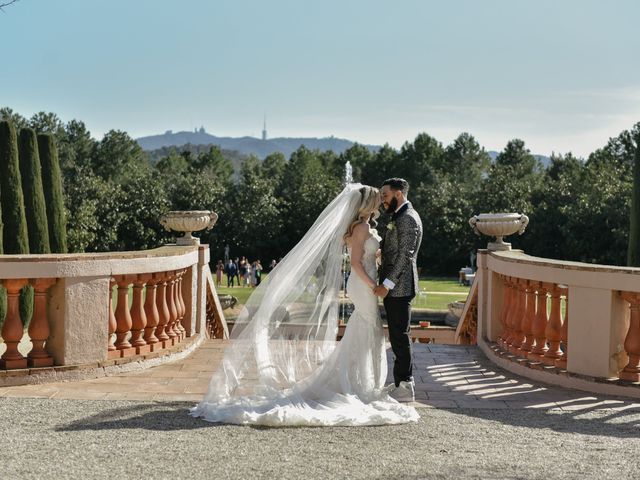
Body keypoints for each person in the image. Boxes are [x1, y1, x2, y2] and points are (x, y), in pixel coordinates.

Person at [191, 184, 419, 426]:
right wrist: (374, 284)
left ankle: (359, 380)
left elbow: (366, 255)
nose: (380, 202)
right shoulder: (362, 227)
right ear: (367, 204)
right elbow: (355, 263)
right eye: (377, 199)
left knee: (366, 328)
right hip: (364, 285)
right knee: (367, 327)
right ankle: (356, 382)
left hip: (365, 285)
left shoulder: (364, 226)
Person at [373, 178, 423, 402]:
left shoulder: (408, 218)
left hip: (400, 288)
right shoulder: (399, 216)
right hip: (396, 287)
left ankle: (405, 385)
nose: (382, 200)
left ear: (399, 194)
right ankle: (399, 383)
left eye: (385, 195)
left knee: (400, 337)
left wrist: (387, 285)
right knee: (397, 335)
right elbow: (396, 251)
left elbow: (406, 256)